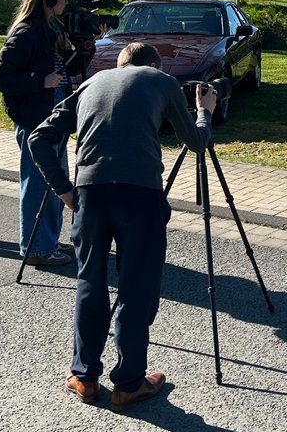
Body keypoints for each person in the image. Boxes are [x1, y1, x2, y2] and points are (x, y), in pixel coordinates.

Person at [28, 42, 217, 409]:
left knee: (90, 280)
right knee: (135, 285)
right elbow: (196, 142)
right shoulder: (160, 80)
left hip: (89, 194)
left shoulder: (92, 83)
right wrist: (204, 112)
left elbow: (39, 137)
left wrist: (64, 190)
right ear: (153, 64)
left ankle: (84, 377)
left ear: (120, 65)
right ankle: (129, 384)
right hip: (139, 195)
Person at [0, 0, 75, 266]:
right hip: (35, 121)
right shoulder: (26, 32)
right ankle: (36, 248)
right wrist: (41, 80)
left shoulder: (51, 27)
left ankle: (47, 240)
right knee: (39, 184)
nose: (66, 1)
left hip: (54, 117)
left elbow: (66, 66)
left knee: (56, 183)